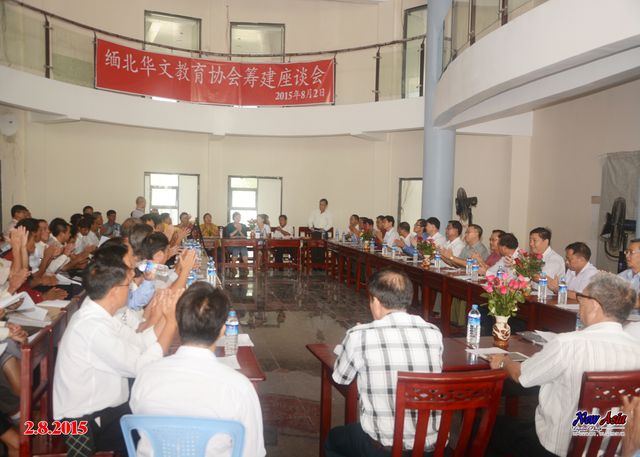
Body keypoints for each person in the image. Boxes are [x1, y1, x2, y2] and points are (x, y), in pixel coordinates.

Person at [486, 272, 640, 457]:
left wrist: (503, 360)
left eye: (581, 297)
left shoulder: (567, 344)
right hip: (614, 449)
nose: (579, 302)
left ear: (594, 305)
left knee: (487, 427)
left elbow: (521, 376)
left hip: (558, 448)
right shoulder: (636, 349)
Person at [53, 246, 182, 455]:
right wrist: (171, 323)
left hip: (106, 410)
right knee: (161, 425)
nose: (130, 289)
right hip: (86, 423)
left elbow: (138, 342)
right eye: (126, 285)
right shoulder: (92, 327)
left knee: (161, 405)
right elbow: (140, 367)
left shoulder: (101, 315)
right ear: (114, 291)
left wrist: (166, 316)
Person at [130, 283, 266, 457]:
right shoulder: (239, 388)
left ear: (178, 324)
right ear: (222, 330)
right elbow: (252, 452)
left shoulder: (146, 376)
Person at [326, 269, 443, 457]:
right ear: (409, 298)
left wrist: (350, 344)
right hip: (431, 448)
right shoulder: (433, 332)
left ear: (375, 301)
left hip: (382, 449)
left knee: (333, 439)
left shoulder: (360, 335)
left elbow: (341, 378)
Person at [225, 212, 249, 278]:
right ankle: (233, 267)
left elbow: (245, 236)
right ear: (233, 218)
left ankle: (246, 267)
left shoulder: (243, 225)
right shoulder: (229, 225)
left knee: (244, 249)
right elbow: (229, 235)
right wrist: (237, 230)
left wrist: (240, 231)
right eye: (236, 217)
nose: (238, 218)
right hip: (231, 245)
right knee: (236, 249)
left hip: (241, 244)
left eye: (239, 217)